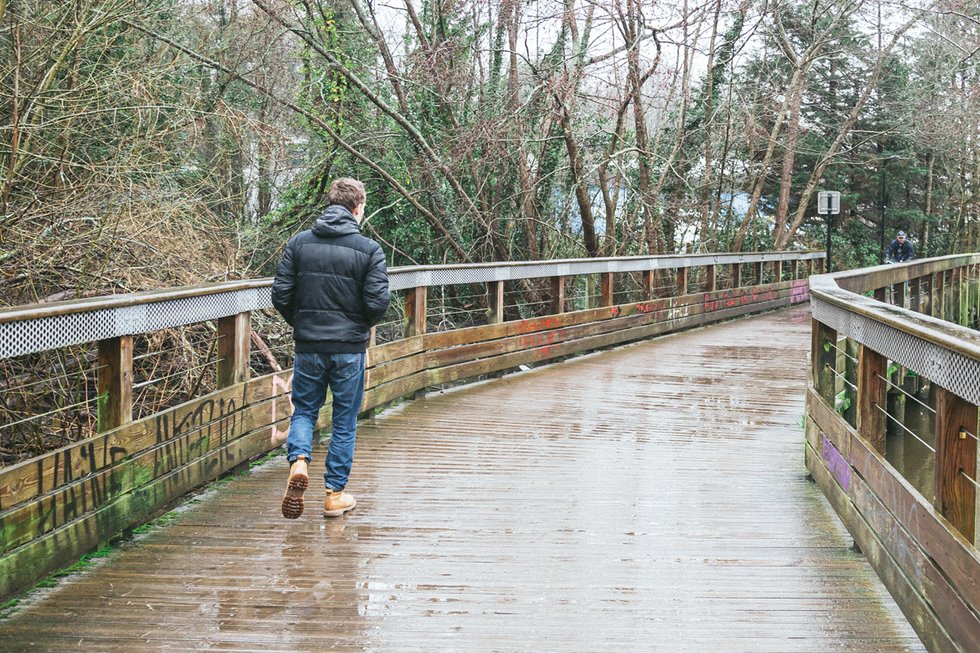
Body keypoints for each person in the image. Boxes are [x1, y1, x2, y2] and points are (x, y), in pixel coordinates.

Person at [271, 178, 391, 519]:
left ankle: (299, 462)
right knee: (343, 421)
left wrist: (302, 322)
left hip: (308, 344)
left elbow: (280, 294)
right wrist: (357, 326)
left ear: (330, 204)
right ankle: (333, 495)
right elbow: (378, 302)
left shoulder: (298, 244)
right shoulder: (370, 250)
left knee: (305, 410)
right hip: (349, 348)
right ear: (358, 209)